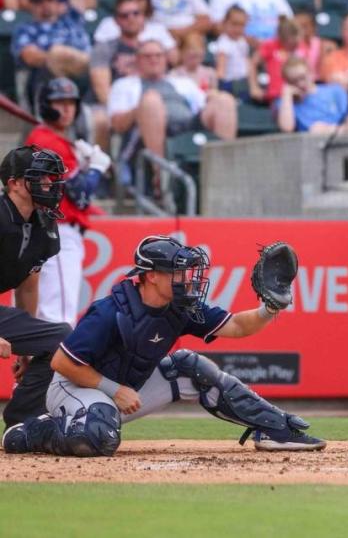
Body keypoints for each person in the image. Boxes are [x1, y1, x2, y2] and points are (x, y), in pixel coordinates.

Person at [1, 236, 326, 456]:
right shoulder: (110, 311)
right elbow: (61, 363)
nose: (187, 278)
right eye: (178, 272)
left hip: (122, 392)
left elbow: (239, 326)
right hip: (73, 387)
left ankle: (275, 429)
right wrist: (114, 390)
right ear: (151, 276)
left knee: (191, 368)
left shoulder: (181, 307)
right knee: (97, 438)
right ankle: (34, 432)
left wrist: (270, 308)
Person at [24, 78, 110, 328]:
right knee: (58, 318)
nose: (66, 109)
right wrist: (94, 169)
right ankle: (53, 368)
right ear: (46, 105)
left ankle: (44, 367)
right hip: (57, 231)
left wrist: (81, 165)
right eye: (59, 103)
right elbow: (79, 194)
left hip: (52, 229)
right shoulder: (48, 140)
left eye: (70, 103)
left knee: (50, 314)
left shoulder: (53, 140)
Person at [0, 146, 73, 430]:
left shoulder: (42, 224)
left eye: (50, 177)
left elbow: (28, 288)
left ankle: (22, 421)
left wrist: (26, 351)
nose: (48, 184)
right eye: (40, 177)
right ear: (14, 183)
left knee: (59, 338)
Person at [108, 40, 237, 163]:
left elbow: (203, 104)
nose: (154, 59)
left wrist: (213, 96)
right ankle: (160, 174)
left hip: (189, 124)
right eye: (147, 56)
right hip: (145, 132)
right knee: (151, 101)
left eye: (158, 55)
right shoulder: (124, 85)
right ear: (137, 60)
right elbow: (117, 124)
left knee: (224, 100)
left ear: (165, 59)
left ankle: (223, 169)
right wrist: (141, 109)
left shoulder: (182, 82)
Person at [12, 0, 90, 82]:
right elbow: (30, 57)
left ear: (57, 3)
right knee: (57, 52)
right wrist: (59, 57)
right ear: (31, 6)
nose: (45, 4)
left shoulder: (73, 18)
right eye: (39, 1)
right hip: (49, 77)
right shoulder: (25, 29)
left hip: (87, 75)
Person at [92, 0, 177, 55]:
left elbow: (174, 58)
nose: (134, 2)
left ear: (147, 1)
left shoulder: (158, 28)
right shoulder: (108, 24)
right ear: (121, 0)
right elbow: (99, 56)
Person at [275, 57, 348, 134]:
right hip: (309, 143)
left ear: (311, 73)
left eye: (303, 77)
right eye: (294, 81)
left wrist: (328, 129)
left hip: (341, 139)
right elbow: (286, 129)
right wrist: (287, 94)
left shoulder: (335, 91)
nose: (300, 84)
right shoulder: (286, 103)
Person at [251, 15, 313, 104]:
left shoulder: (302, 47)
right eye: (292, 43)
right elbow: (252, 63)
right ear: (282, 39)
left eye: (297, 41)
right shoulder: (271, 46)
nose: (295, 46)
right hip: (277, 96)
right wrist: (254, 87)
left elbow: (309, 70)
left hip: (301, 96)